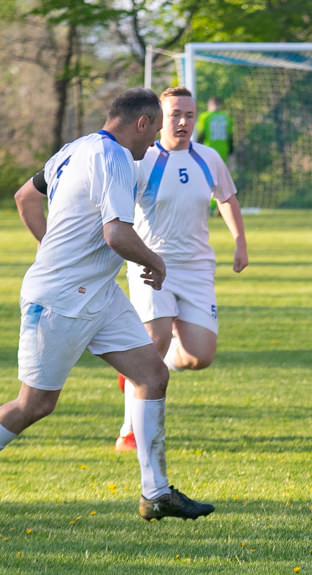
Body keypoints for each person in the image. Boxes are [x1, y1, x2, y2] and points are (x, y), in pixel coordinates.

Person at [5, 88, 214, 521]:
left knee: (152, 374)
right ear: (141, 124)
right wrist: (155, 262)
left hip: (98, 292)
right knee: (34, 406)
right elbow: (116, 233)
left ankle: (155, 493)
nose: (151, 144)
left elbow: (25, 196)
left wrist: (53, 247)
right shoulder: (117, 157)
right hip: (61, 298)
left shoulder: (73, 148)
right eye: (153, 131)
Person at [113, 86, 249, 451]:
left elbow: (227, 198)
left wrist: (239, 241)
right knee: (154, 343)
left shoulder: (208, 158)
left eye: (189, 115)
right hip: (150, 263)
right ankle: (130, 430)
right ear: (159, 118)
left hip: (197, 269)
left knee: (198, 357)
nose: (184, 122)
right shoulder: (143, 160)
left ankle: (138, 368)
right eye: (175, 114)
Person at [195, 96, 233, 162]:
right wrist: (231, 152)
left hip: (208, 150)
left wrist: (196, 150)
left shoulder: (204, 116)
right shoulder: (226, 117)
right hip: (223, 151)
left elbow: (201, 134)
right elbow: (230, 137)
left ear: (209, 105)